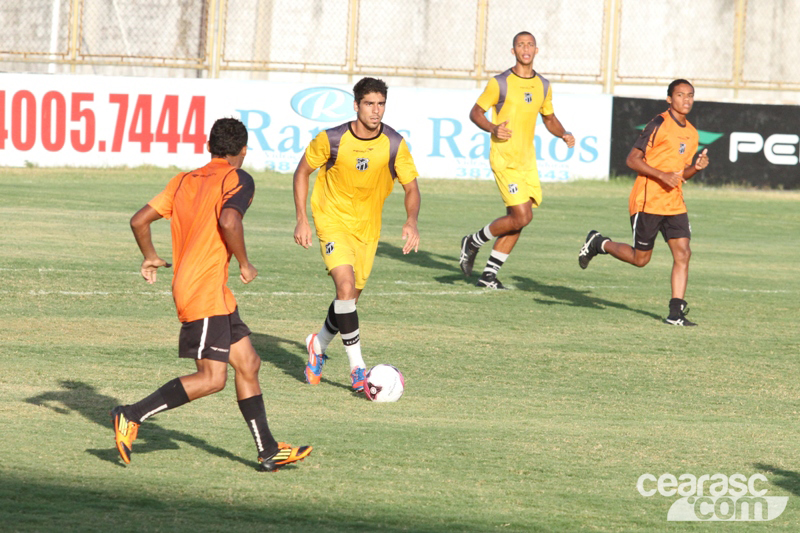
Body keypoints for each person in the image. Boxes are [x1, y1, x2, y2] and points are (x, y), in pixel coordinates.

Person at [111, 118, 312, 471]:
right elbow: (229, 221)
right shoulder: (237, 179)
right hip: (202, 290)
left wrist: (150, 255)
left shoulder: (184, 180)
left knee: (248, 363)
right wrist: (245, 263)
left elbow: (139, 220)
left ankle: (268, 450)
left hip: (212, 290)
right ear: (243, 150)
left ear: (209, 147)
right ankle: (131, 414)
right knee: (212, 378)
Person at [293, 77, 421, 392]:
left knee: (348, 300)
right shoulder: (332, 139)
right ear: (356, 105)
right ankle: (358, 369)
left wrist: (411, 220)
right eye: (369, 104)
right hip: (332, 221)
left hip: (367, 230)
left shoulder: (394, 144)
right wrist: (302, 219)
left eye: (381, 104)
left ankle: (318, 345)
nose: (376, 110)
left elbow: (412, 188)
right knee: (346, 287)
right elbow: (302, 171)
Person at [577, 79, 710, 326]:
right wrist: (661, 175)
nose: (686, 100)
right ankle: (599, 243)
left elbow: (681, 175)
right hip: (648, 200)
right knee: (641, 260)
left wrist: (696, 168)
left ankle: (675, 313)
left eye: (690, 95)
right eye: (680, 95)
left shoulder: (692, 133)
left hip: (674, 203)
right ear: (669, 99)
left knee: (683, 253)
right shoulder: (658, 124)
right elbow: (632, 159)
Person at [459, 31, 575, 289]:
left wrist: (563, 133)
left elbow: (549, 118)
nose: (526, 48)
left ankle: (488, 276)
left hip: (527, 163)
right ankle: (473, 241)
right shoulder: (500, 83)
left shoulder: (543, 85)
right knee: (522, 215)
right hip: (504, 159)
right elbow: (475, 112)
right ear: (513, 51)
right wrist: (493, 128)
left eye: (530, 44)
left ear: (536, 50)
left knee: (518, 219)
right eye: (521, 45)